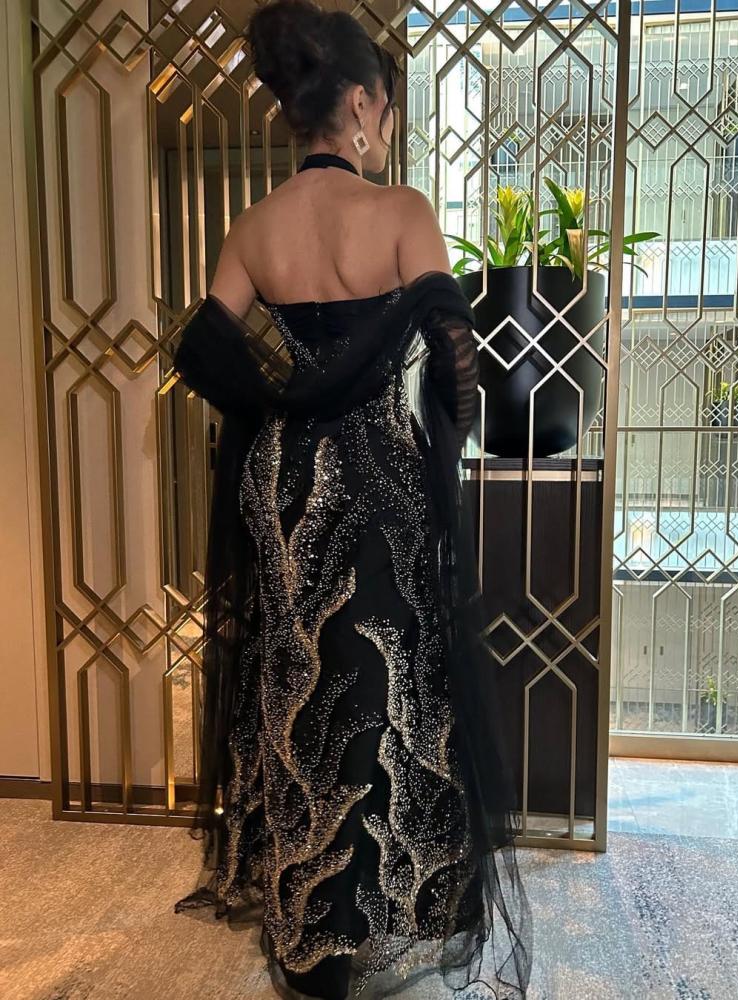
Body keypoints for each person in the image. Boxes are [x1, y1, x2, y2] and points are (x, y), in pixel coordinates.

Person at [172, 2, 532, 998]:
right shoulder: (401, 211)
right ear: (365, 104)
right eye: (384, 107)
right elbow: (455, 355)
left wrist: (282, 402)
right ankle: (396, 900)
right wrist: (448, 434)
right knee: (390, 687)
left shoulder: (253, 228)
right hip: (377, 473)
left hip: (285, 484)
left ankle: (312, 923)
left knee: (299, 687)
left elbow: (201, 351)